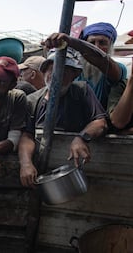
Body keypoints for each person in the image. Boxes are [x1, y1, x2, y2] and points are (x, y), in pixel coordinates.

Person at [19, 48, 107, 187]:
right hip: (42, 169)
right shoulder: (32, 100)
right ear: (45, 72)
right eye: (52, 71)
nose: (57, 76)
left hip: (74, 168)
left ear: (74, 76)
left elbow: (100, 122)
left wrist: (81, 137)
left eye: (64, 72)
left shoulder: (81, 91)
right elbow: (27, 136)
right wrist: (26, 163)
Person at [42, 22, 127, 109]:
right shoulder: (74, 69)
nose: (97, 47)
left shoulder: (118, 68)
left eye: (102, 43)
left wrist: (72, 42)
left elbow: (103, 62)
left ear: (111, 46)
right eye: (92, 43)